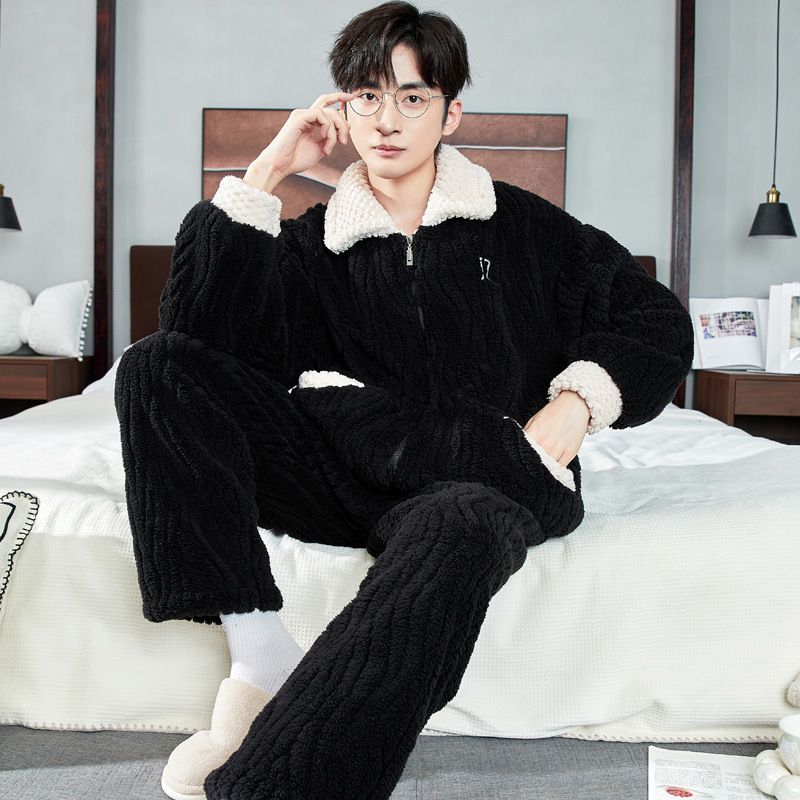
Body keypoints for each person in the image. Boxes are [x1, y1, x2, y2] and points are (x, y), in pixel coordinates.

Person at [114, 3, 694, 799]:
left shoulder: (528, 230)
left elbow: (656, 320)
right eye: (368, 97)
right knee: (156, 364)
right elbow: (196, 337)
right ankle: (259, 655)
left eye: (413, 97)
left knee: (460, 530)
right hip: (339, 465)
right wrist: (267, 173)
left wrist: (578, 402)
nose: (388, 120)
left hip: (477, 477)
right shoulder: (309, 242)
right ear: (343, 110)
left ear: (451, 113)